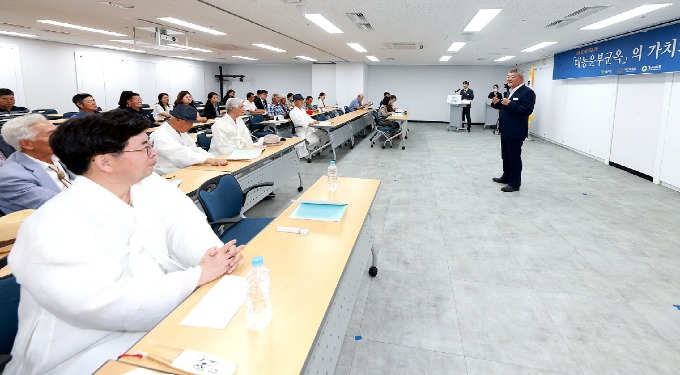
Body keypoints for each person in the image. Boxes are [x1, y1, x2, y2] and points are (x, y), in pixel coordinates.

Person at [5, 110, 244, 374]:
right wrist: (196, 277)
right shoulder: (53, 225)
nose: (153, 153)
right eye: (144, 147)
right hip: (83, 352)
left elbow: (183, 224)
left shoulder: (145, 184)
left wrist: (210, 255)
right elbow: (102, 305)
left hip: (159, 315)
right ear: (105, 162)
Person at [0, 114, 74, 214]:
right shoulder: (10, 177)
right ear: (27, 144)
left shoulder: (61, 155)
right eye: (51, 134)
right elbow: (60, 205)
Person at [491, 68, 536, 192]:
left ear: (520, 79)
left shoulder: (528, 92)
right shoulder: (509, 92)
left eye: (512, 77)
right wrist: (496, 103)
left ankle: (515, 183)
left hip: (516, 131)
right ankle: (506, 176)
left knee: (514, 157)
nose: (509, 79)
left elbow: (527, 110)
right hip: (505, 129)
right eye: (508, 76)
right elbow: (505, 107)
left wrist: (509, 103)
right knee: (505, 156)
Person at [150, 104, 228, 175]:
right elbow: (180, 154)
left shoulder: (180, 131)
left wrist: (213, 158)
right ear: (179, 120)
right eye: (189, 123)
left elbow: (193, 148)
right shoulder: (160, 135)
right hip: (166, 173)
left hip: (183, 168)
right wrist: (208, 160)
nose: (191, 126)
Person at [0, 88, 30, 161]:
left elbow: (31, 123)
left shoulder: (23, 110)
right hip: (3, 136)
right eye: (5, 99)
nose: (9, 101)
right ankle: (14, 160)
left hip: (22, 134)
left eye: (11, 98)